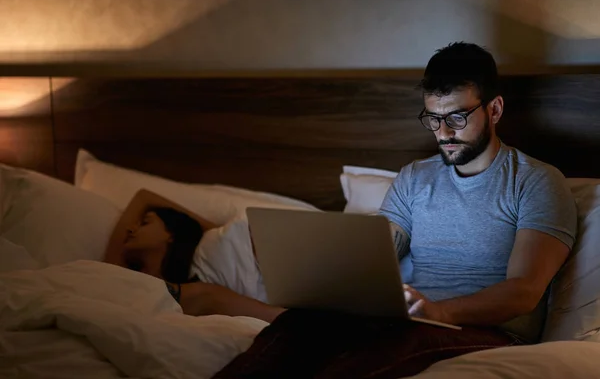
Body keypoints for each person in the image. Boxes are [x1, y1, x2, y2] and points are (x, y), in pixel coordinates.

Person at [212, 42, 578, 379]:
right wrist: (310, 272)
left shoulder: (537, 182)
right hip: (413, 322)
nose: (443, 133)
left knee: (386, 351)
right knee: (299, 325)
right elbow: (377, 256)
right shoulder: (416, 178)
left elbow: (523, 292)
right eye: (433, 118)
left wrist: (441, 313)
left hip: (491, 333)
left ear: (494, 109)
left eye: (456, 117)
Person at [104, 188, 284, 323]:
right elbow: (106, 273)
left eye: (144, 223)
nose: (129, 228)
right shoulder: (152, 287)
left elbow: (143, 197)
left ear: (171, 233)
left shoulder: (208, 242)